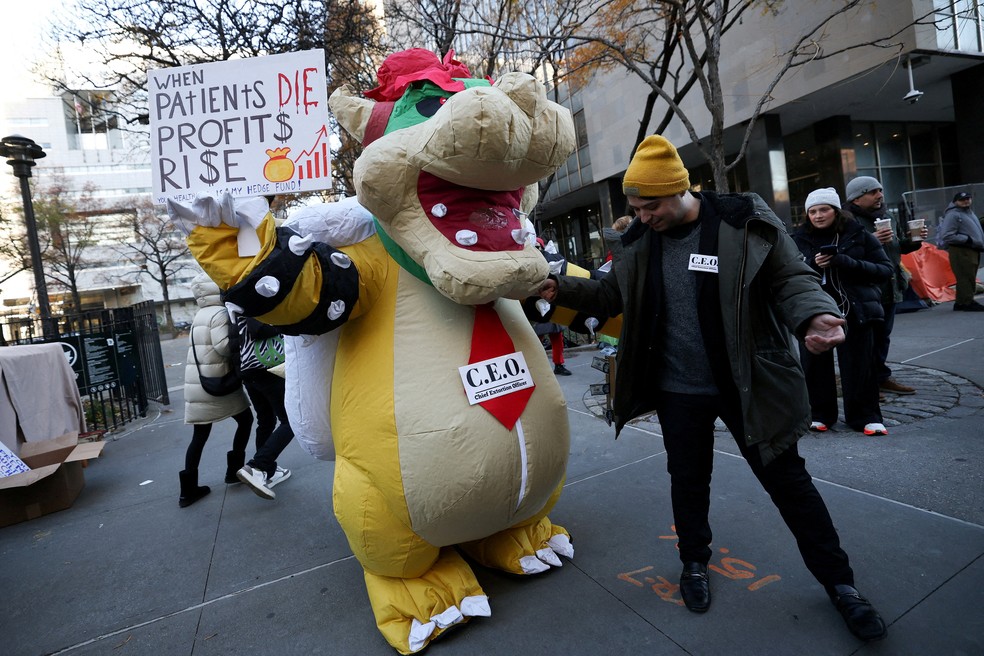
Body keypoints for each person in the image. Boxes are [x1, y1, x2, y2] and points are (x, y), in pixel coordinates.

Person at [539, 135, 887, 641]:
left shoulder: (740, 220)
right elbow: (611, 295)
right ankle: (694, 564)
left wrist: (813, 315)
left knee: (790, 485)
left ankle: (841, 584)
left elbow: (789, 277)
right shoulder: (638, 240)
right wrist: (561, 287)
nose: (642, 216)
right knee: (688, 481)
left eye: (650, 206)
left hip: (748, 383)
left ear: (680, 190)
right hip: (678, 390)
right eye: (634, 208)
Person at [792, 188, 893, 435]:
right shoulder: (798, 238)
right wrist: (811, 264)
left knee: (860, 364)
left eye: (823, 209)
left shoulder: (859, 234)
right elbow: (788, 271)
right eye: (812, 211)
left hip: (855, 308)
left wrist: (845, 262)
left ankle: (866, 416)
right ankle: (819, 414)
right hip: (813, 309)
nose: (817, 215)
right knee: (814, 363)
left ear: (836, 211)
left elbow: (885, 269)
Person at [844, 176, 925, 397]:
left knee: (883, 336)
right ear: (857, 198)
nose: (880, 195)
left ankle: (881, 377)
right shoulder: (847, 221)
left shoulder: (887, 217)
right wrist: (872, 240)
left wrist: (913, 241)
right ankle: (866, 382)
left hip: (891, 285)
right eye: (873, 192)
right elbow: (845, 254)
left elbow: (897, 248)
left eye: (880, 190)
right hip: (865, 288)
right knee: (864, 338)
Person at [180, 273, 254, 508]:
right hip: (219, 382)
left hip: (199, 385)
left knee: (199, 436)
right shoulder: (220, 313)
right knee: (246, 419)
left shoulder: (200, 314)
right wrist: (241, 334)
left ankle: (188, 490)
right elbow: (223, 347)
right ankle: (234, 471)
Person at [234, 315, 295, 499]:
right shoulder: (251, 298)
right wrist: (284, 324)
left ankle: (268, 472)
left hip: (249, 369)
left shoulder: (233, 303)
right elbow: (258, 328)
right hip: (267, 368)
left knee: (266, 421)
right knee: (290, 420)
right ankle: (257, 467)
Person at [937, 191, 984, 312]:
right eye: (962, 200)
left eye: (968, 199)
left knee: (968, 275)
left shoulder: (968, 212)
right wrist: (967, 239)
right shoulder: (953, 215)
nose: (966, 201)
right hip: (962, 249)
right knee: (966, 276)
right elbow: (946, 235)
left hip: (970, 248)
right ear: (955, 201)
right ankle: (968, 302)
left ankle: (961, 302)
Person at [534, 237, 572, 375]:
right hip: (536, 305)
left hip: (552, 302)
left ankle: (558, 364)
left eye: (539, 246)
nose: (536, 248)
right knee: (536, 340)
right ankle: (536, 367)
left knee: (557, 337)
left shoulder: (549, 259)